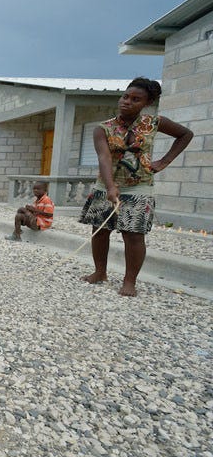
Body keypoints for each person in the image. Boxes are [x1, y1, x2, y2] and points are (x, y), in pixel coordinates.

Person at [79, 77, 193, 296]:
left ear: (147, 103)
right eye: (125, 96)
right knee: (100, 231)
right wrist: (111, 187)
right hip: (106, 186)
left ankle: (129, 281)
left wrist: (164, 161)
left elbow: (185, 135)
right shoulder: (104, 128)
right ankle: (100, 272)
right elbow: (104, 159)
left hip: (139, 186)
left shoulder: (154, 123)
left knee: (133, 235)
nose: (127, 102)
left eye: (135, 99)